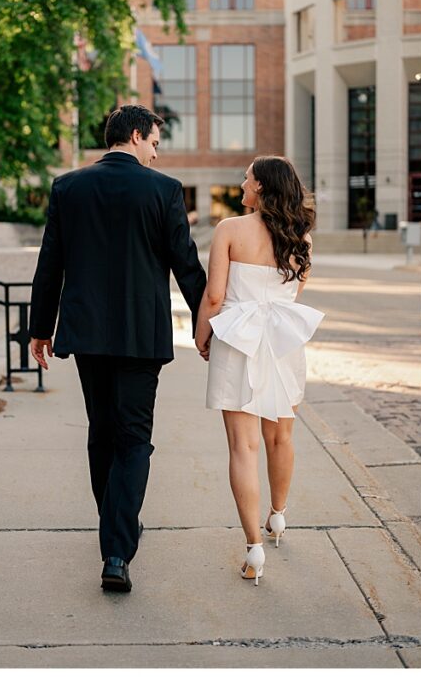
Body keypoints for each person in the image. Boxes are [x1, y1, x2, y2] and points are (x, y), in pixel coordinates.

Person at [29, 104, 207, 593]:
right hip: (140, 336)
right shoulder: (164, 190)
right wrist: (207, 321)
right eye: (153, 141)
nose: (156, 151)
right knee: (133, 438)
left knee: (102, 433)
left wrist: (39, 328)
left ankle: (115, 528)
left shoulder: (69, 187)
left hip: (86, 335)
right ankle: (116, 550)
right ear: (134, 134)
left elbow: (51, 264)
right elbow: (186, 266)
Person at [196, 156, 323, 585]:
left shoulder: (230, 230)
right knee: (281, 434)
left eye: (248, 178)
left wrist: (201, 334)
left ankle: (254, 548)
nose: (242, 183)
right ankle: (279, 516)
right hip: (282, 341)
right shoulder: (301, 239)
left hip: (237, 338)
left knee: (242, 447)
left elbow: (215, 295)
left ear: (263, 188)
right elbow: (292, 294)